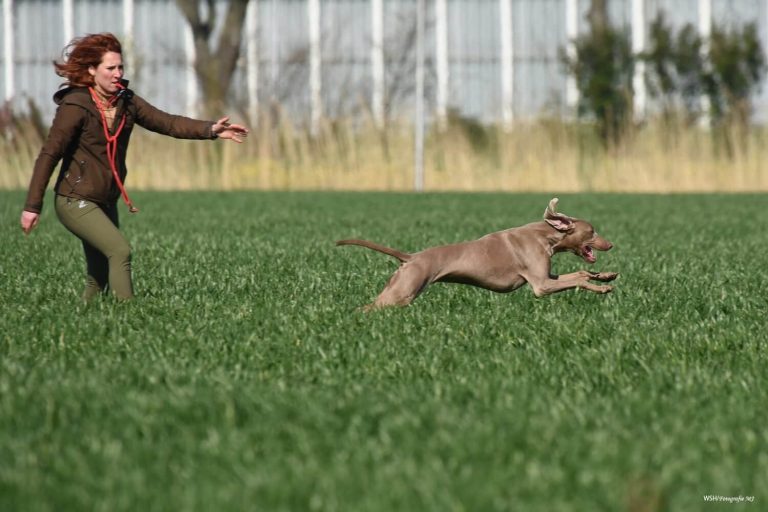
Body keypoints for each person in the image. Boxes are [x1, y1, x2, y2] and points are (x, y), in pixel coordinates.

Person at [20, 32, 248, 301]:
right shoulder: (75, 105)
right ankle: (129, 316)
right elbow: (50, 154)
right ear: (92, 70)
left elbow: (168, 123)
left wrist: (210, 130)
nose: (118, 73)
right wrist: (32, 206)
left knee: (99, 276)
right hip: (74, 199)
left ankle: (85, 315)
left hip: (106, 199)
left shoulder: (126, 101)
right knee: (120, 251)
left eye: (121, 67)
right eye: (110, 68)